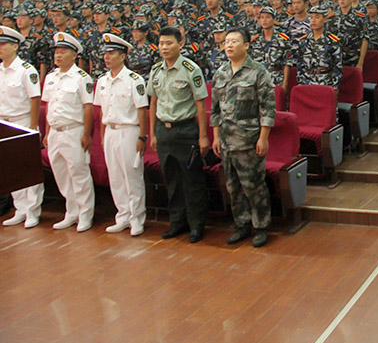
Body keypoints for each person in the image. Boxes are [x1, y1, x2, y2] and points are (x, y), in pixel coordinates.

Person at [210, 27, 276, 248]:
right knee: (233, 187)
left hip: (248, 140)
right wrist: (216, 136)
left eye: (234, 41)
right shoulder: (220, 73)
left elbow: (267, 108)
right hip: (226, 141)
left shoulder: (258, 72)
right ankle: (242, 224)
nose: (229, 45)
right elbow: (215, 109)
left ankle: (261, 226)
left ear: (246, 45)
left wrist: (263, 138)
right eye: (227, 42)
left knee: (254, 186)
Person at [146, 26, 210, 243]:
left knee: (192, 181)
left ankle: (196, 225)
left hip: (186, 131)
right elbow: (153, 103)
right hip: (164, 131)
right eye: (161, 43)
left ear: (180, 44)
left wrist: (203, 136)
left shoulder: (191, 69)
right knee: (171, 181)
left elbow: (200, 104)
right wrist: (153, 133)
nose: (164, 48)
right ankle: (177, 223)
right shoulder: (156, 70)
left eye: (169, 43)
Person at [94, 33, 149, 236]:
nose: (107, 57)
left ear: (123, 56)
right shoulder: (102, 81)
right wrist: (102, 135)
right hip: (111, 131)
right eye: (105, 53)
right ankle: (123, 216)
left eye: (112, 53)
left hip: (129, 131)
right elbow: (102, 111)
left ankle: (137, 218)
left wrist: (142, 137)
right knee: (115, 177)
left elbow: (142, 110)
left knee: (132, 176)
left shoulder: (134, 80)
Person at [41, 32, 95, 232]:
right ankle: (71, 212)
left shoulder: (81, 78)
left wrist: (86, 134)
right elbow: (49, 106)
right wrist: (47, 132)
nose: (58, 55)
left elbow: (88, 107)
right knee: (61, 174)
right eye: (56, 52)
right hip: (55, 131)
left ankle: (85, 214)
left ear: (74, 55)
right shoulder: (51, 77)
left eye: (63, 52)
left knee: (79, 173)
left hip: (73, 131)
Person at [0, 26, 44, 228]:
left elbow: (35, 99)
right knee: (12, 169)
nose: (0, 48)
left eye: (4, 44)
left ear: (15, 46)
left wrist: (33, 128)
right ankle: (20, 209)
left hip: (23, 121)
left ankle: (33, 211)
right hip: (5, 122)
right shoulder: (1, 70)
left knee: (28, 170)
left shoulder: (26, 70)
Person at [295, 5, 342, 89]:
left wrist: (335, 87)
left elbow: (337, 67)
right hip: (307, 82)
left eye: (317, 17)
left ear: (325, 19)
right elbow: (300, 65)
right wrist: (301, 83)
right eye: (311, 17)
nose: (313, 20)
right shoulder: (303, 41)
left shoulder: (332, 41)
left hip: (326, 82)